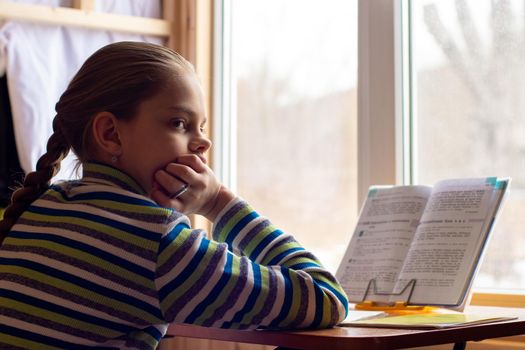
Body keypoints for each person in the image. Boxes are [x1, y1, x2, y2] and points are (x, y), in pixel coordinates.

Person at [0, 41, 348, 349]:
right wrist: (219, 203)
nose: (202, 142)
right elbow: (325, 298)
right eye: (179, 123)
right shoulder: (157, 242)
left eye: (202, 127)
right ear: (111, 134)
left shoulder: (42, 206)